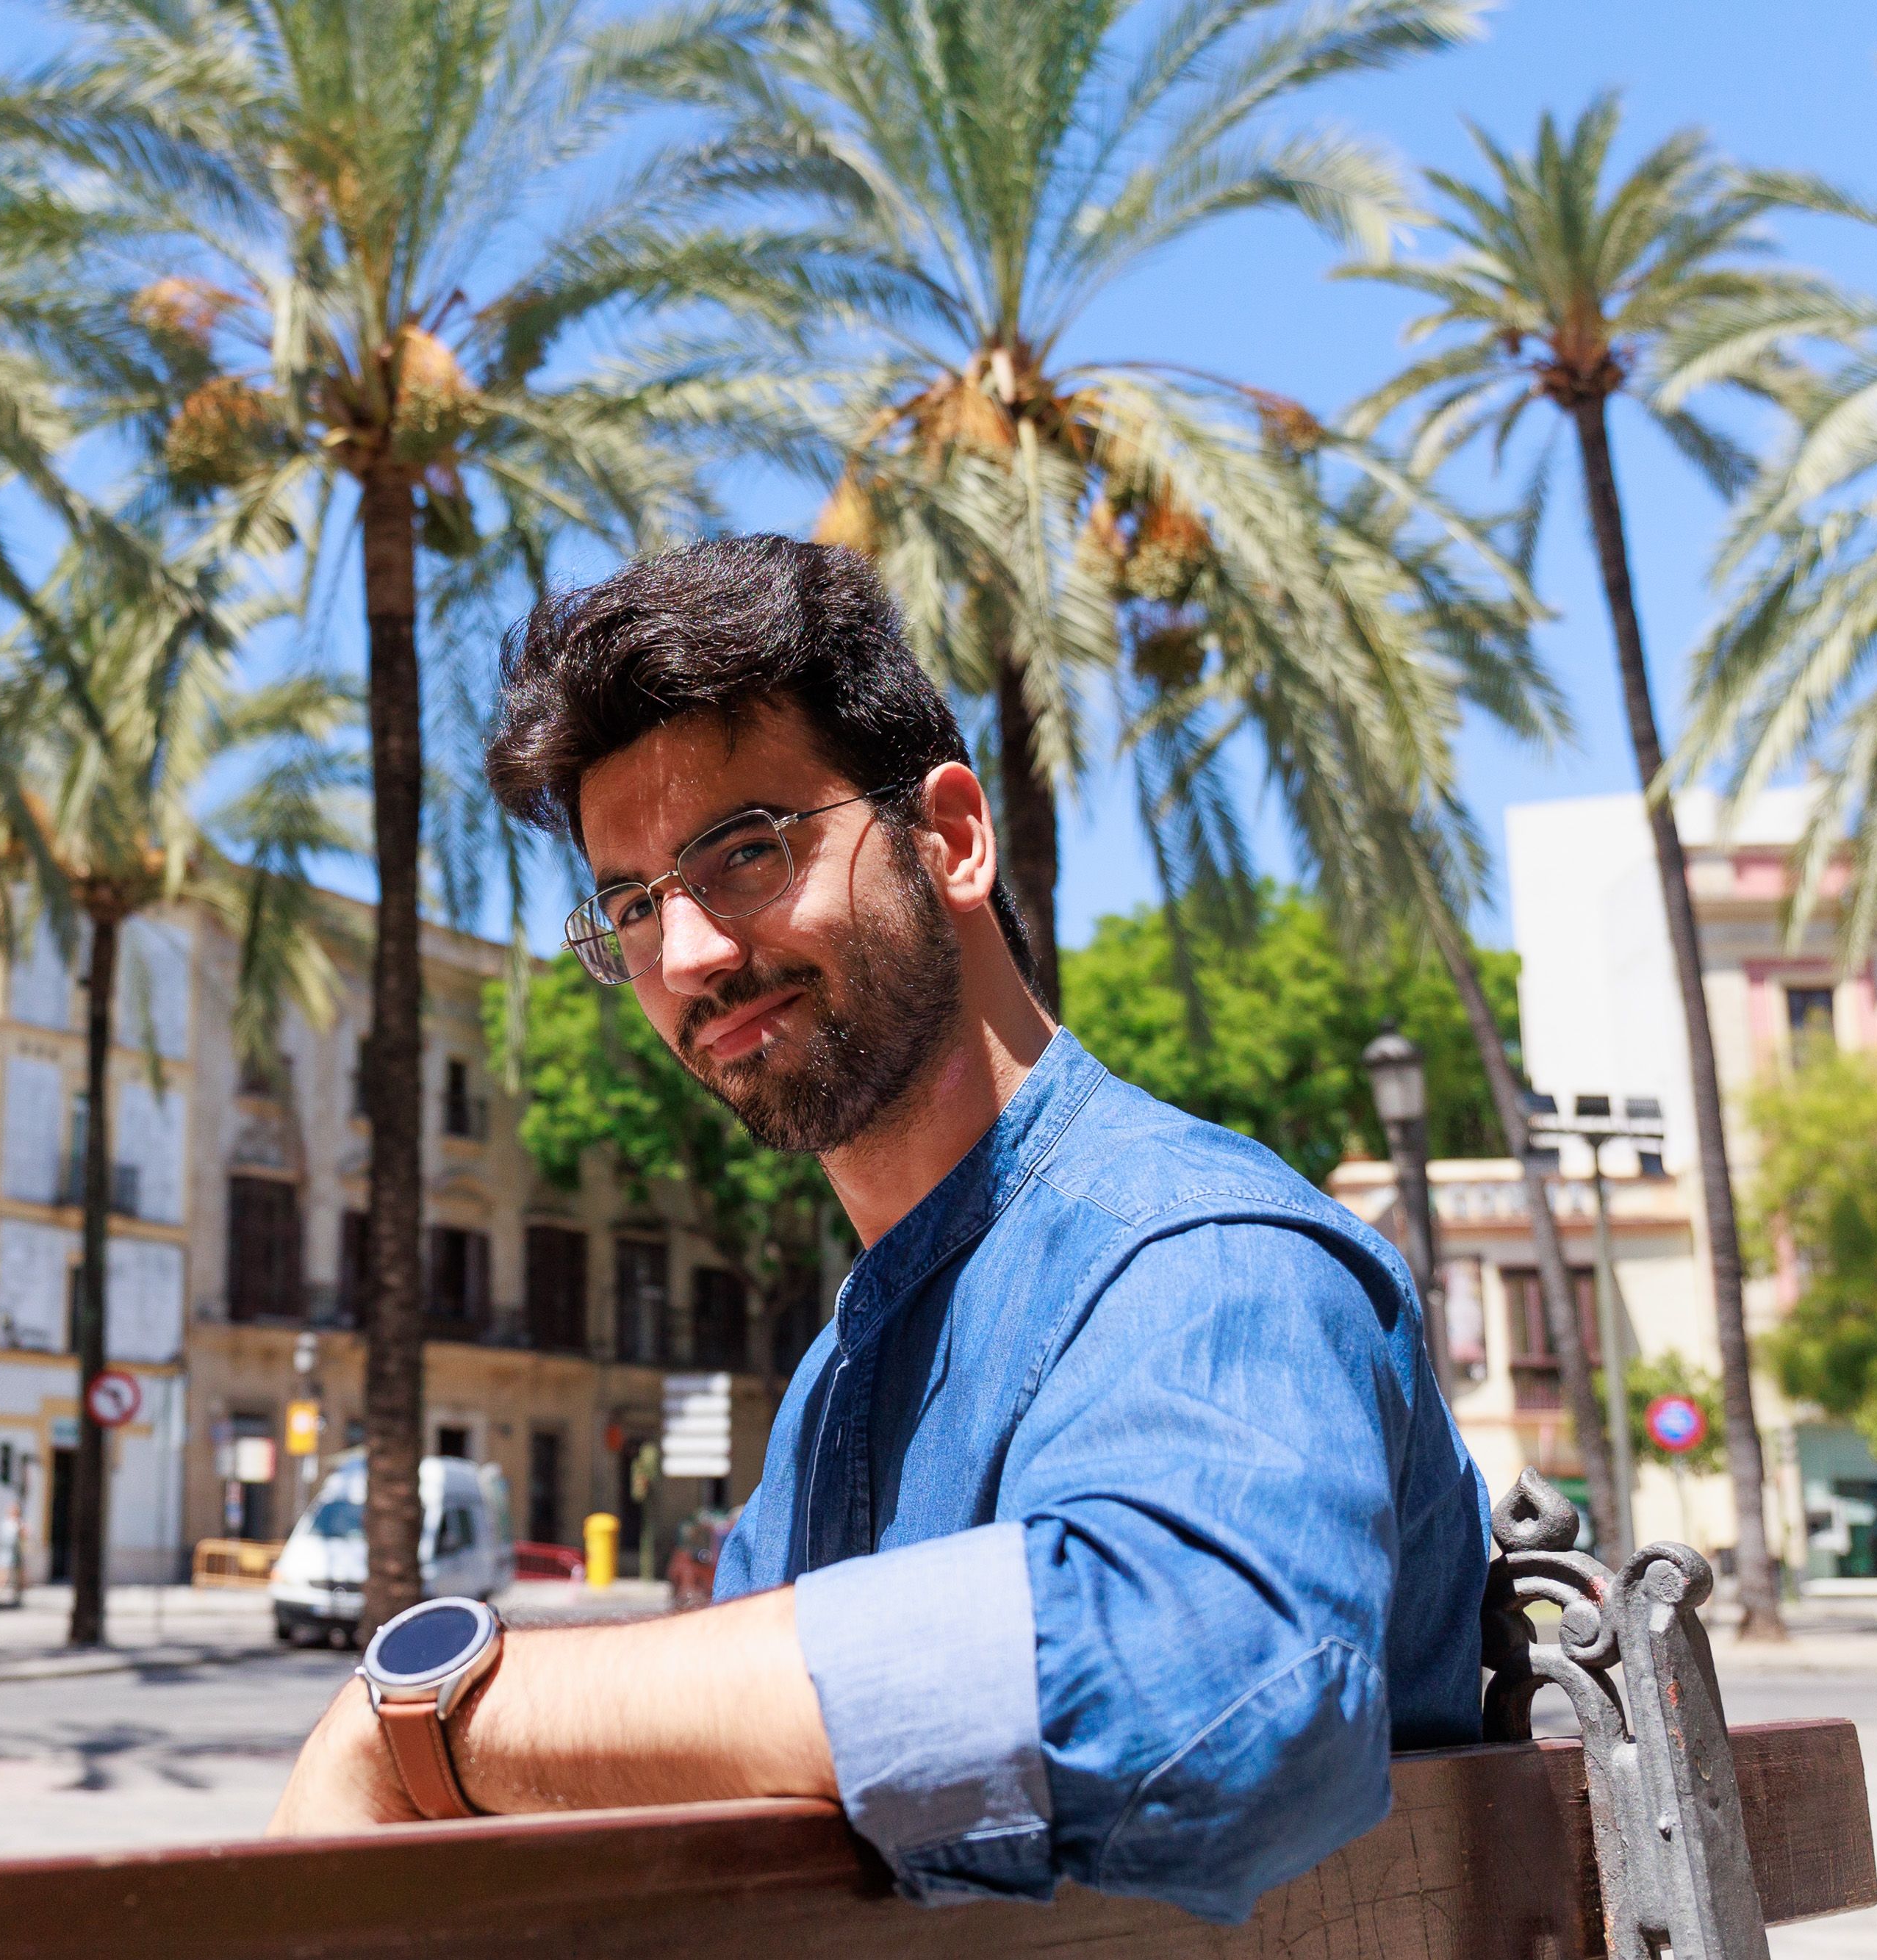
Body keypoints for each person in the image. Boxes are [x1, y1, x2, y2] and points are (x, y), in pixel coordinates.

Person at [264, 536, 1490, 1926]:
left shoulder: (1203, 1251)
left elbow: (1205, 1688)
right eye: (632, 905)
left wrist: (441, 1718)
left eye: (746, 851)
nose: (688, 957)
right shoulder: (838, 1381)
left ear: (950, 839)